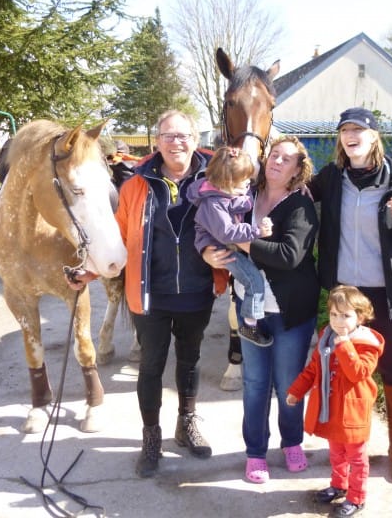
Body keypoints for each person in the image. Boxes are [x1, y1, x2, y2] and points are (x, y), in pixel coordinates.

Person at [309, 107, 392, 484]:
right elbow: (291, 195)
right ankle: (345, 445)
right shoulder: (331, 177)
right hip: (346, 295)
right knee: (343, 370)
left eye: (359, 129)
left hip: (388, 293)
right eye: (344, 129)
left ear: (374, 136)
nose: (351, 134)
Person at [203, 135, 320, 485]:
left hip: (290, 312)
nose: (276, 161)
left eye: (286, 159)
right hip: (249, 307)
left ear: (299, 170)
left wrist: (238, 239)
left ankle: (292, 443)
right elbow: (210, 220)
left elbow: (288, 256)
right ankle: (255, 453)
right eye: (273, 155)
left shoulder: (301, 206)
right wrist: (209, 252)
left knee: (288, 383)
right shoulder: (244, 194)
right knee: (254, 384)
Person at [114, 109, 223, 478]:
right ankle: (151, 436)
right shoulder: (135, 185)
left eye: (183, 135)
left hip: (197, 290)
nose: (176, 142)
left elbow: (256, 187)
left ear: (196, 138)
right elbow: (116, 238)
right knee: (150, 365)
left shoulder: (215, 177)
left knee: (190, 360)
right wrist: (87, 270)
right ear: (157, 141)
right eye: (168, 135)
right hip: (151, 295)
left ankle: (186, 423)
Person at [287, 285, 384, 518]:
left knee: (357, 458)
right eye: (334, 314)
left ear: (360, 317)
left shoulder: (366, 344)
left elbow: (358, 372)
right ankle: (339, 485)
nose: (339, 321)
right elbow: (313, 369)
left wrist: (344, 345)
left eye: (346, 315)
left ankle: (356, 497)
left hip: (352, 412)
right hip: (330, 409)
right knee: (336, 453)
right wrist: (296, 391)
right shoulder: (325, 337)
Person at [187, 146, 274, 347]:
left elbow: (241, 202)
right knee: (253, 281)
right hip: (220, 247)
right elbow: (227, 232)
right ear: (226, 182)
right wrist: (257, 231)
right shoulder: (213, 204)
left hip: (226, 243)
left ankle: (254, 314)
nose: (247, 183)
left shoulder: (225, 193)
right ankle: (250, 324)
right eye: (243, 180)